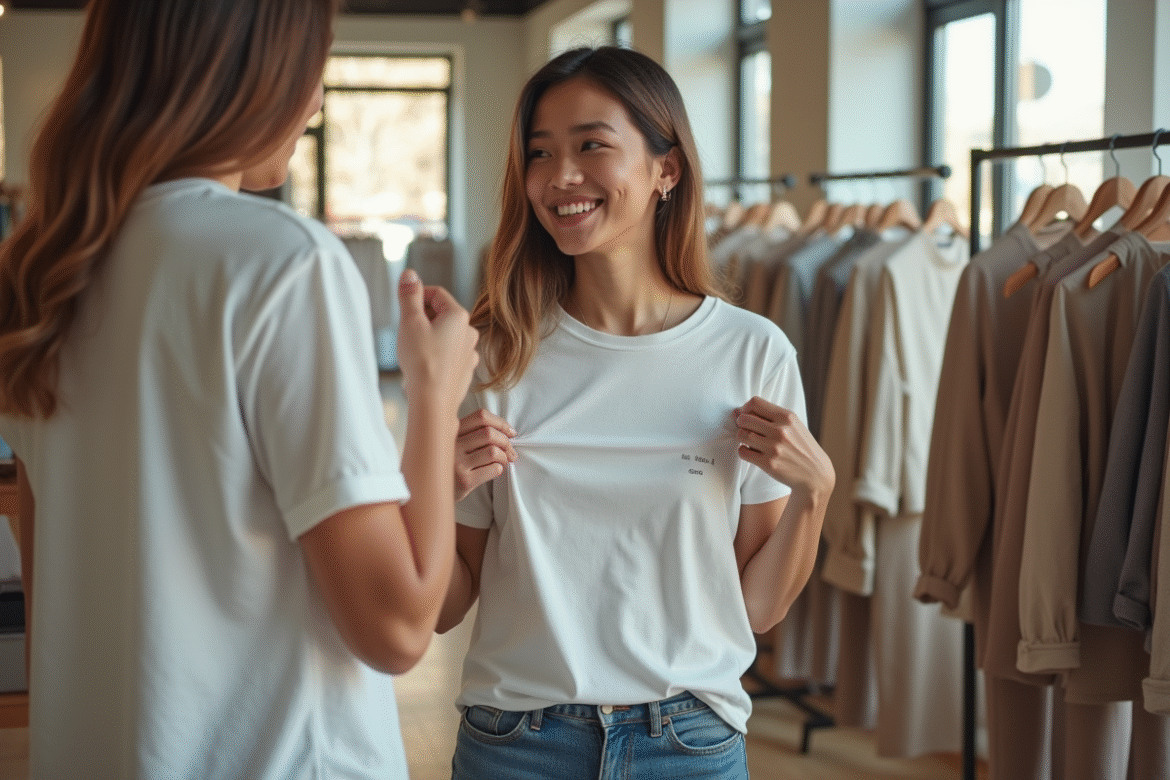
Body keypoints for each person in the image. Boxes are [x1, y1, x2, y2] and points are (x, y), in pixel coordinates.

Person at [0, 1, 478, 778]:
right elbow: (396, 628)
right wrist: (434, 391)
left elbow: (70, 576)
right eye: (312, 63)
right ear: (248, 65)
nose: (318, 97)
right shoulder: (280, 261)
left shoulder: (41, 280)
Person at [438, 46, 835, 779]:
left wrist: (816, 494)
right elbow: (442, 608)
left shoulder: (752, 352)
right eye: (539, 153)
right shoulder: (493, 354)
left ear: (667, 170)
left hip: (688, 742)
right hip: (515, 742)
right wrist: (436, 496)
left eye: (592, 145)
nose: (561, 177)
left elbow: (758, 609)